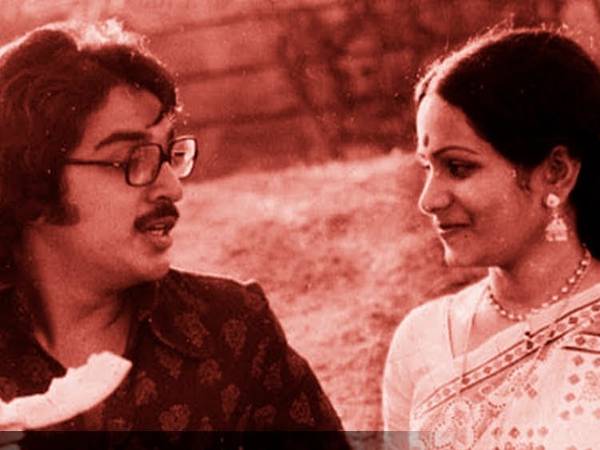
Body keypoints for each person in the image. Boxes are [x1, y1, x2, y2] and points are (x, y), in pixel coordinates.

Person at [0, 20, 348, 449]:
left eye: (169, 154)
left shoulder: (233, 331)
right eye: (132, 158)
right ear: (33, 182)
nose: (171, 188)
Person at [382, 26, 600, 449]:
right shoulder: (421, 338)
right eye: (427, 167)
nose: (429, 200)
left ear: (555, 172)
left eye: (458, 167)